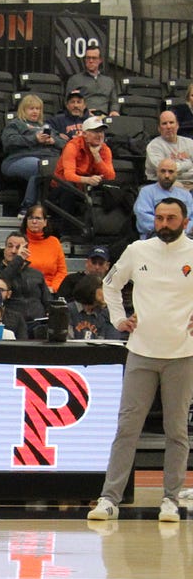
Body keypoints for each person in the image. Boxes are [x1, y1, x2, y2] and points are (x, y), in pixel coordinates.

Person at [87, 198, 193, 525]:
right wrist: (119, 320)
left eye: (170, 218)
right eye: (159, 217)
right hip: (141, 352)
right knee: (127, 428)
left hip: (183, 354)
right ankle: (109, 499)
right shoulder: (137, 249)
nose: (163, 223)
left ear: (184, 221)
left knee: (176, 431)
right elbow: (110, 284)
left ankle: (171, 500)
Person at [0, 94, 67, 210]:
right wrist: (35, 139)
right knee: (40, 167)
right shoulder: (15, 124)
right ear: (23, 110)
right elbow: (9, 141)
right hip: (17, 159)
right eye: (31, 108)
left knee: (61, 168)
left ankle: (53, 209)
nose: (35, 111)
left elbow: (65, 144)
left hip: (47, 159)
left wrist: (53, 141)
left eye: (38, 109)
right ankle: (28, 208)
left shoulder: (46, 126)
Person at [134, 158, 193, 239]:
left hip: (184, 238)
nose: (167, 175)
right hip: (154, 238)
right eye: (163, 171)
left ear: (177, 174)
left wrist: (182, 231)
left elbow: (191, 219)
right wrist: (172, 228)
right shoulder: (146, 192)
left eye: (171, 171)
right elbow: (143, 219)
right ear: (157, 172)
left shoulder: (186, 195)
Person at [20, 204, 67, 293]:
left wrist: (53, 288)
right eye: (30, 218)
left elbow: (62, 272)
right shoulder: (19, 241)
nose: (34, 221)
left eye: (38, 218)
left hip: (50, 291)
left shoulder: (54, 242)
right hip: (25, 291)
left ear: (45, 222)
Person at [65, 43, 117, 117]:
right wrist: (82, 112)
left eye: (94, 58)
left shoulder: (109, 81)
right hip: (83, 117)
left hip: (104, 118)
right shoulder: (74, 80)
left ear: (100, 60)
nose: (91, 61)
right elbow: (67, 102)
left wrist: (114, 111)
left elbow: (114, 102)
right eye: (88, 58)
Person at [145, 111, 193, 189]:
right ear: (159, 128)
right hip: (167, 185)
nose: (168, 126)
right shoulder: (154, 146)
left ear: (177, 125)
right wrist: (187, 164)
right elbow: (165, 170)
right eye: (164, 123)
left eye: (171, 122)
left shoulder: (189, 143)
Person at [67, 274, 121, 341]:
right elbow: (68, 342)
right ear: (91, 289)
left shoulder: (102, 314)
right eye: (102, 288)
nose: (106, 293)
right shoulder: (68, 311)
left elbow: (103, 342)